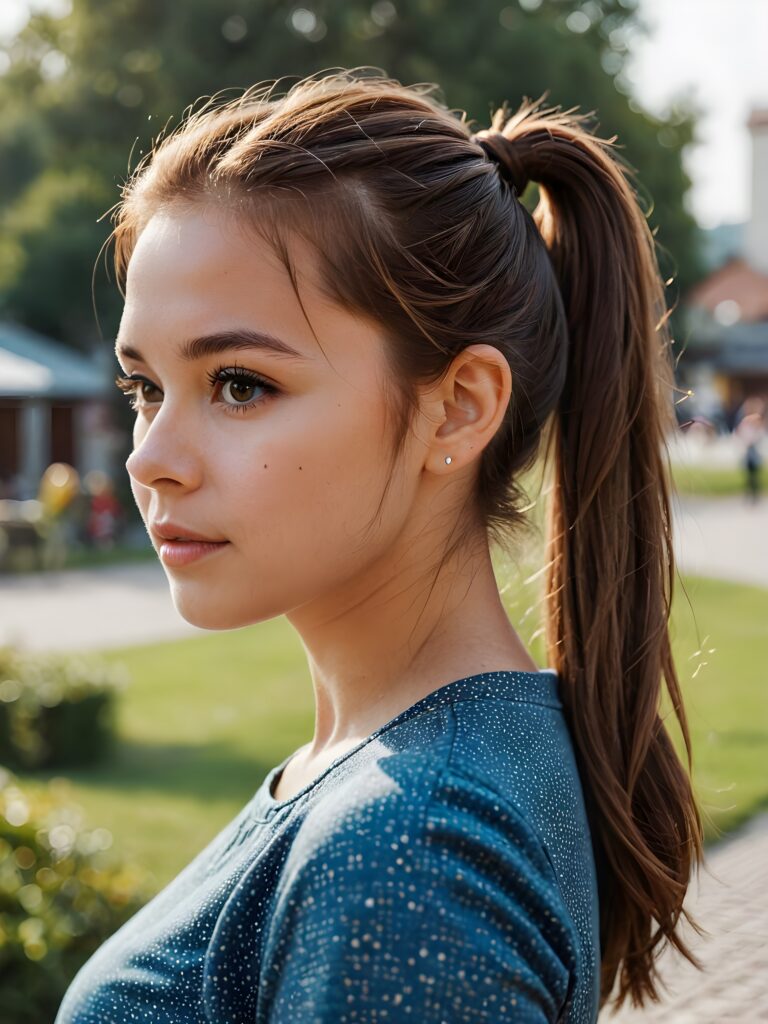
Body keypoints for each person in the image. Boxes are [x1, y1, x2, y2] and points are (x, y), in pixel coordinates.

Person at [54, 70, 704, 1023]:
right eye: (145, 387)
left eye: (239, 384)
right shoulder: (410, 769)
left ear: (460, 405)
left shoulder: (410, 851)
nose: (150, 459)